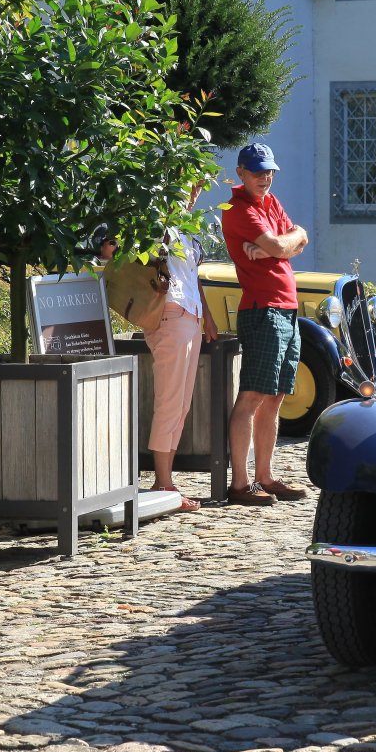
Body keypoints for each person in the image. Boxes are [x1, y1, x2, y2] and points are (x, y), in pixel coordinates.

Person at [220, 143, 310, 507]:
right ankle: (240, 484)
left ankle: (266, 476)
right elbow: (285, 244)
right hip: (263, 311)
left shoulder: (270, 202)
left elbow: (299, 238)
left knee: (275, 396)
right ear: (241, 173)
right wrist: (280, 245)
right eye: (258, 172)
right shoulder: (239, 209)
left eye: (269, 171)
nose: (265, 178)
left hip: (286, 309)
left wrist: (280, 245)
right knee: (253, 395)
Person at [143, 185, 220, 511]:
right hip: (171, 314)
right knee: (171, 402)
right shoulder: (157, 219)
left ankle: (166, 481)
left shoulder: (186, 224)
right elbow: (123, 253)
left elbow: (192, 276)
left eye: (198, 186)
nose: (195, 191)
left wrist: (208, 316)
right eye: (190, 184)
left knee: (182, 405)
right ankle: (163, 482)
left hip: (190, 315)